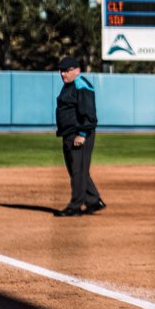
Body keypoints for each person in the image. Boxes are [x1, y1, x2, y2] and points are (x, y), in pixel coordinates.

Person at [55, 56, 106, 216]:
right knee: (77, 170)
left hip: (79, 134)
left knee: (78, 171)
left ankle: (75, 206)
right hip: (70, 133)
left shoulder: (81, 85)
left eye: (67, 70)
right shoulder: (69, 85)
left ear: (77, 70)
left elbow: (89, 114)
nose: (63, 74)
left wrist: (82, 134)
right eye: (61, 71)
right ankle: (93, 200)